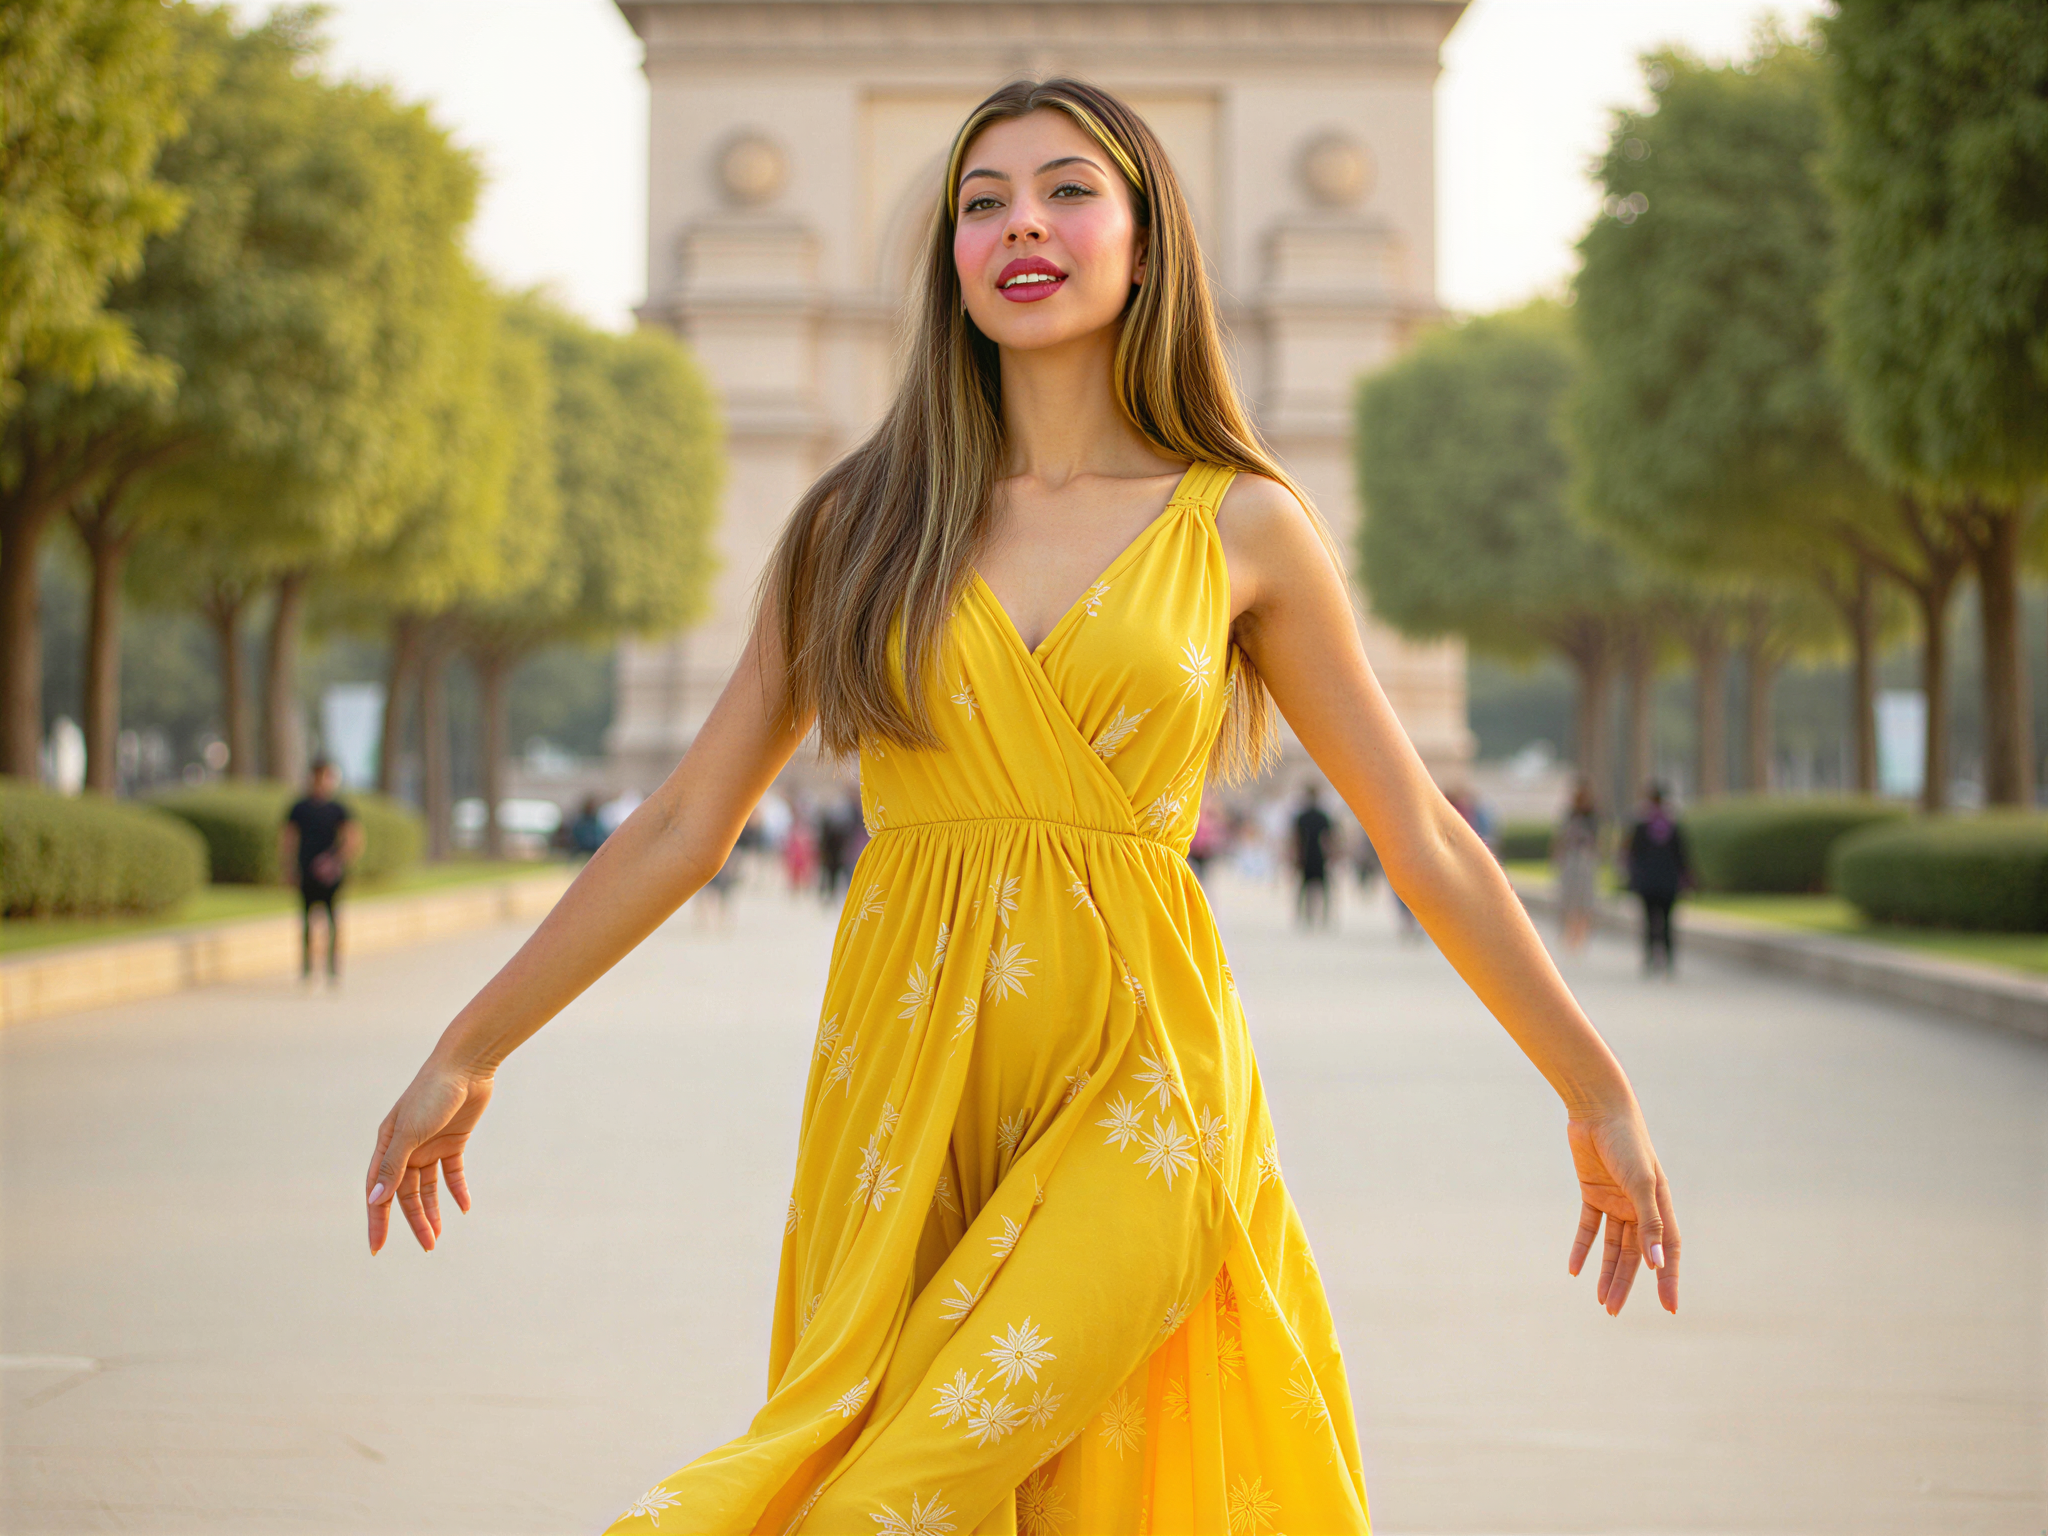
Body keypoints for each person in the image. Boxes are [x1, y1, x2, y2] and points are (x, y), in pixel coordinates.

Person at [364, 81, 1680, 1536]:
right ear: (948, 259)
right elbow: (686, 823)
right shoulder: (856, 525)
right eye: (980, 202)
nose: (1022, 226)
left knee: (896, 1497)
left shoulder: (1242, 522)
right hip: (907, 1079)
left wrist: (1596, 1088)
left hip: (1146, 1072)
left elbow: (1422, 835)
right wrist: (468, 1048)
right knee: (892, 1453)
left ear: (1144, 235)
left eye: (1066, 191)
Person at [280, 758, 362, 984]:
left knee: (333, 921)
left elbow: (353, 837)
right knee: (306, 921)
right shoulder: (300, 807)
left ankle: (332, 967)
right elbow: (288, 838)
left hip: (330, 873)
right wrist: (289, 867)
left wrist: (337, 861)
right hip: (307, 870)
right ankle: (307, 967)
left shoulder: (338, 808)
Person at [1626, 783, 1690, 977]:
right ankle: (1669, 960)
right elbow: (1682, 856)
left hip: (1647, 881)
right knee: (1668, 921)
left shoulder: (1641, 825)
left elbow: (1632, 854)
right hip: (1668, 881)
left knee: (1648, 921)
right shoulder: (1672, 825)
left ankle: (1650, 958)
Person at [1555, 779, 1602, 952]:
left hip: (1585, 861)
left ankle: (1581, 934)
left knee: (1584, 900)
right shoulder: (1570, 814)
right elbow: (1561, 838)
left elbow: (1596, 841)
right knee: (1569, 898)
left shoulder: (1592, 817)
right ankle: (1569, 934)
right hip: (1571, 860)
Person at [1291, 781, 1335, 928]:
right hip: (1319, 857)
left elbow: (1296, 839)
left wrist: (1295, 857)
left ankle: (1305, 916)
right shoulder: (1323, 816)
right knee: (1323, 889)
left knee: (1304, 889)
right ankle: (1324, 916)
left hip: (1305, 856)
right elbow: (1329, 839)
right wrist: (1331, 856)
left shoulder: (1301, 816)